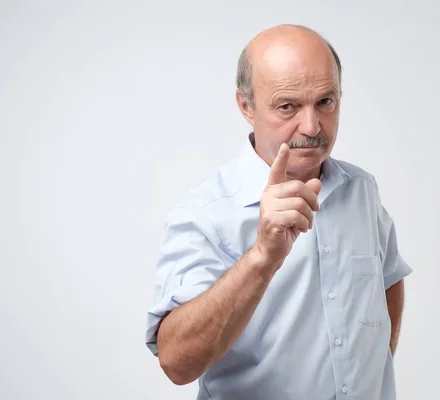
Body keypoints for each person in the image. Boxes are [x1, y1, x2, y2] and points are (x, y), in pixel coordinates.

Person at [145, 24, 413, 400]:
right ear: (246, 106)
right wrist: (261, 258)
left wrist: (377, 373)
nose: (312, 126)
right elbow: (176, 363)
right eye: (288, 106)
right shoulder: (206, 214)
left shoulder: (361, 191)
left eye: (326, 101)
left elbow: (388, 279)